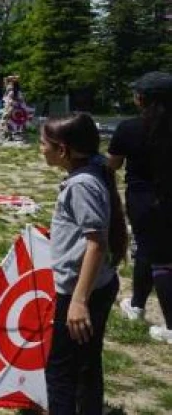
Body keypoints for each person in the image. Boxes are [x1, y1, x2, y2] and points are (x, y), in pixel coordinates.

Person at [39, 113, 126, 413]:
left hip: (81, 290)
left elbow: (96, 242)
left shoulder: (82, 184)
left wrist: (78, 301)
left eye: (43, 143)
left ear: (62, 150)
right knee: (87, 363)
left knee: (60, 372)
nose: (41, 149)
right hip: (99, 285)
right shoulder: (96, 168)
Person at [108, 72, 172, 345]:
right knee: (148, 250)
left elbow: (113, 163)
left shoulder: (130, 128)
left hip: (144, 201)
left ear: (143, 99)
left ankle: (170, 327)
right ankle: (136, 305)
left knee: (162, 261)